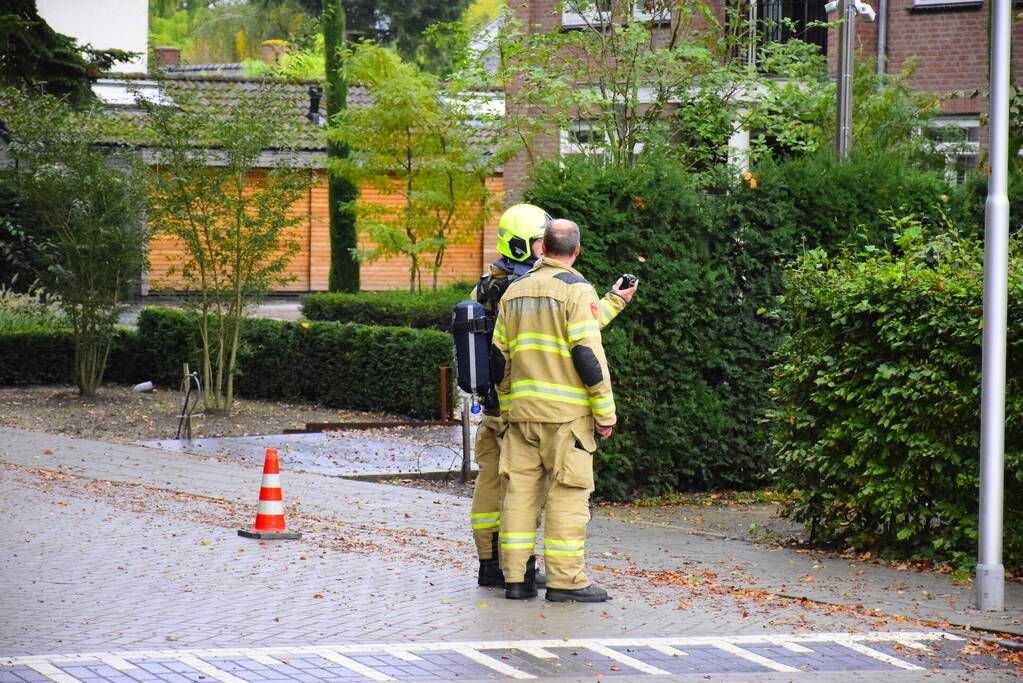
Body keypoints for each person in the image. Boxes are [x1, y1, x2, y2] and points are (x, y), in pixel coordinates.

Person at [469, 205, 636, 590]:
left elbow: (499, 356)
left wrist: (508, 406)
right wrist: (605, 415)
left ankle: (509, 574)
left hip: (511, 411)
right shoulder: (569, 288)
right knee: (564, 494)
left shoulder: (499, 289)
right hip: (555, 416)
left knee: (513, 493)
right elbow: (584, 347)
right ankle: (564, 580)